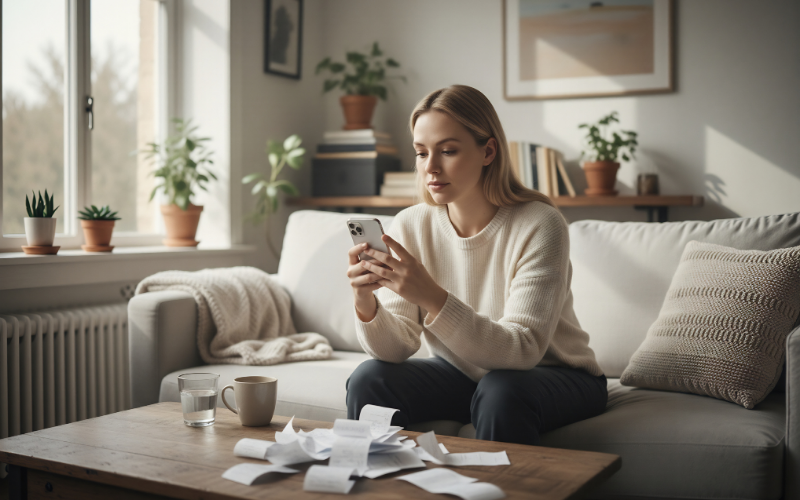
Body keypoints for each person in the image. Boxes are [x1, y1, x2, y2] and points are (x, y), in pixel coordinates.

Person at [345, 85, 606, 445]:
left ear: (488, 151)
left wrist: (432, 296)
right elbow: (396, 349)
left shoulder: (540, 223)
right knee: (369, 379)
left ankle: (503, 480)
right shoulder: (410, 224)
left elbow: (523, 349)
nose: (430, 167)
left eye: (448, 151)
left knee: (502, 391)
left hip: (556, 375)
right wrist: (366, 303)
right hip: (466, 376)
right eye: (421, 153)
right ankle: (379, 476)